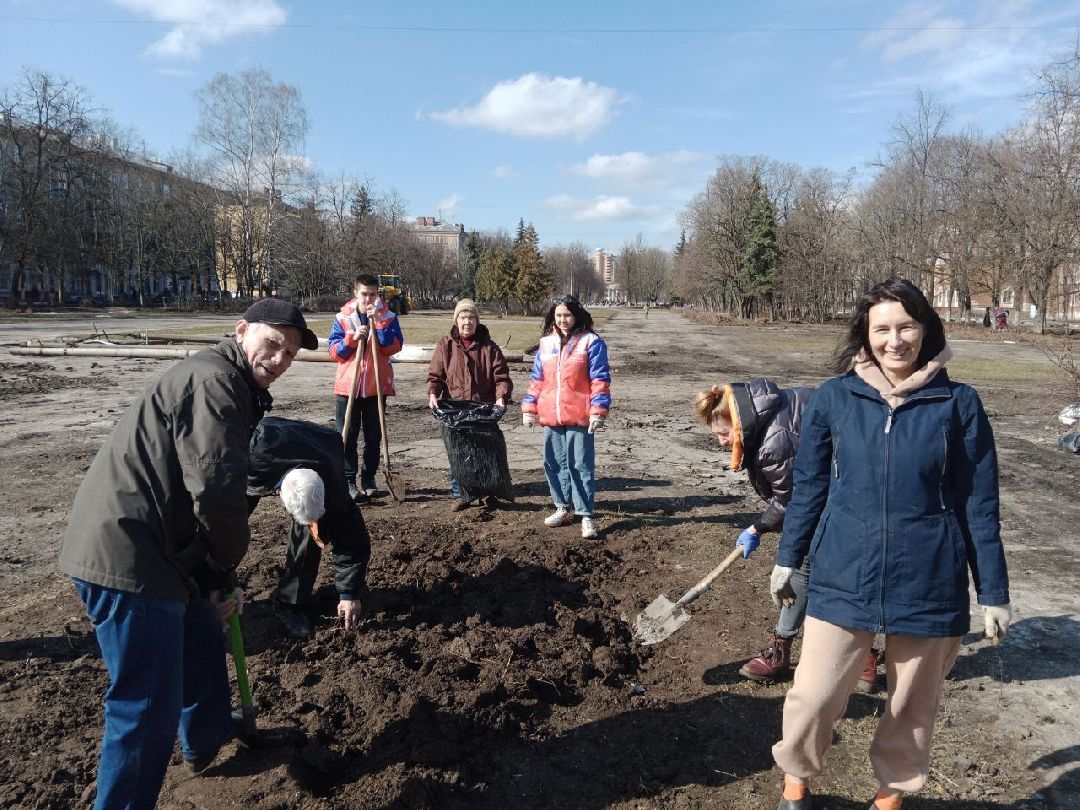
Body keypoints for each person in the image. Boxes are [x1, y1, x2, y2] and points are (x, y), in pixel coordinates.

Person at [58, 298, 317, 807]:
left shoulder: (228, 380)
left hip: (158, 541)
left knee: (200, 628)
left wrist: (206, 573)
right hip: (129, 554)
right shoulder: (216, 384)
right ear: (241, 331)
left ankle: (205, 740)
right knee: (145, 706)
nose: (280, 359)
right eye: (272, 343)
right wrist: (222, 565)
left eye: (289, 352)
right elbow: (218, 491)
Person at [770, 278, 1011, 810]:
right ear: (865, 333)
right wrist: (788, 558)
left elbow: (979, 504)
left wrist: (993, 591)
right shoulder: (835, 397)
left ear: (926, 329)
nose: (894, 340)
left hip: (929, 576)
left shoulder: (958, 403)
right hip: (843, 569)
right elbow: (809, 487)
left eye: (906, 326)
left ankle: (890, 798)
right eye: (882, 328)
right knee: (813, 696)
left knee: (911, 708)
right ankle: (796, 785)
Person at [692, 380, 882, 688]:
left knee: (803, 571)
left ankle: (785, 652)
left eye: (724, 434)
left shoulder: (774, 441)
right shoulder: (764, 413)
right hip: (841, 489)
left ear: (738, 422)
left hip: (852, 495)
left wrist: (757, 527)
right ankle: (863, 657)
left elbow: (791, 500)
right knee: (833, 574)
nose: (721, 443)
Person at [247, 417, 372, 639]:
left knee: (313, 531)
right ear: (281, 497)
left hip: (321, 444)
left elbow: (353, 542)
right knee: (226, 522)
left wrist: (349, 593)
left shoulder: (334, 490)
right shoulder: (254, 453)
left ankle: (290, 602)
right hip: (260, 446)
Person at [521, 294, 612, 539]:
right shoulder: (546, 344)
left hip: (579, 416)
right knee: (554, 464)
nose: (563, 320)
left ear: (576, 315)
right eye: (558, 315)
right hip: (551, 415)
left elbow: (600, 380)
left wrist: (598, 411)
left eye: (567, 315)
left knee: (580, 465)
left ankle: (586, 515)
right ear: (553, 316)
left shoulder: (591, 342)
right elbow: (537, 380)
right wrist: (529, 407)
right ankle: (563, 507)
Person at [426, 298, 513, 511]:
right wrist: (433, 393)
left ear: (477, 320)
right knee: (458, 452)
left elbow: (501, 377)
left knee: (486, 451)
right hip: (455, 408)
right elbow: (435, 375)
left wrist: (501, 397)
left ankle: (488, 493)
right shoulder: (445, 345)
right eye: (463, 317)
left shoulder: (489, 348)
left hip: (482, 407)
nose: (467, 322)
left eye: (472, 317)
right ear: (456, 320)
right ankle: (463, 493)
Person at [329, 274, 404, 500]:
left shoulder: (388, 316)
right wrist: (351, 339)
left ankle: (368, 478)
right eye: (364, 294)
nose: (369, 299)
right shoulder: (343, 317)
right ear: (356, 293)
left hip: (375, 386)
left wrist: (379, 324)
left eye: (373, 294)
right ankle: (348, 480)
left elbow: (394, 347)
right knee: (347, 436)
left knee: (373, 436)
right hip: (347, 387)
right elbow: (334, 351)